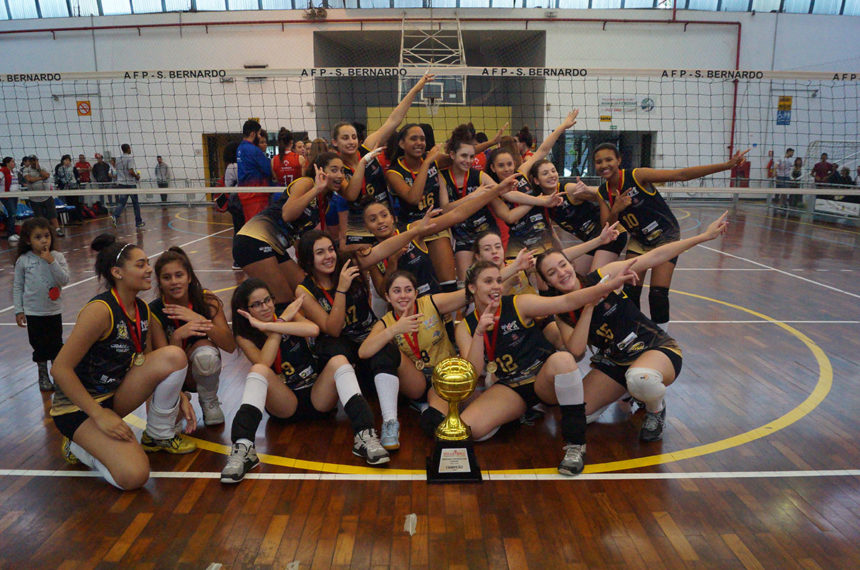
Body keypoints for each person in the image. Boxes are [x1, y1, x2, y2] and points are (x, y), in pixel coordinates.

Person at [535, 213, 730, 467]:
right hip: (616, 362)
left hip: (655, 349)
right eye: (552, 272)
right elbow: (577, 352)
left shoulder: (602, 276)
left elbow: (653, 257)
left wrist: (703, 236)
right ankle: (630, 389)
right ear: (548, 281)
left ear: (571, 264)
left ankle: (655, 408)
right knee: (578, 414)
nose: (561, 273)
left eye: (563, 265)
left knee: (641, 380)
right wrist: (590, 305)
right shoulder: (562, 311)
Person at [420, 259, 636, 475]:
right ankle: (518, 414)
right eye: (488, 281)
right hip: (511, 387)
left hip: (543, 378)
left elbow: (565, 301)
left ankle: (575, 444)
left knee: (563, 360)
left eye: (498, 280)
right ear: (472, 288)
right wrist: (478, 334)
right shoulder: (466, 326)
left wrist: (602, 288)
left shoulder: (518, 303)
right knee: (471, 429)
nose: (496, 286)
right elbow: (473, 372)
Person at [49, 234, 197, 490]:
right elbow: (59, 369)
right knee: (134, 477)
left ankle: (159, 434)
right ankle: (78, 444)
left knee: (174, 356)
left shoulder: (142, 309)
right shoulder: (100, 311)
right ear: (117, 272)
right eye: (140, 265)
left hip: (113, 397)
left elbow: (153, 363)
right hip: (78, 408)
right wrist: (99, 415)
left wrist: (180, 395)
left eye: (147, 263)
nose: (149, 269)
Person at [293, 211, 441, 461]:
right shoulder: (305, 289)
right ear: (308, 259)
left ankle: (390, 422)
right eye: (320, 252)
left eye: (330, 249)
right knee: (334, 347)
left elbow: (383, 249)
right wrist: (341, 288)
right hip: (341, 345)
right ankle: (362, 424)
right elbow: (333, 328)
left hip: (368, 336)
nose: (329, 256)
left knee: (383, 347)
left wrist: (416, 230)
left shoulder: (349, 265)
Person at [595, 142, 747, 329]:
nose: (604, 165)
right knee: (630, 291)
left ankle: (663, 340)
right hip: (639, 240)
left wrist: (726, 166)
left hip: (665, 235)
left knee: (658, 294)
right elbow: (608, 226)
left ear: (618, 160)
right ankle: (635, 333)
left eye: (608, 159)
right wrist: (616, 209)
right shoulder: (603, 193)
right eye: (598, 162)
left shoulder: (637, 175)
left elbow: (680, 175)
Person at [222, 280, 335, 482]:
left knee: (339, 361)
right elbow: (264, 363)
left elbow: (313, 330)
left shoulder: (285, 310)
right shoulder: (245, 334)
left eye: (267, 300)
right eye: (256, 304)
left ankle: (365, 433)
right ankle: (243, 446)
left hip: (317, 392)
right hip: (285, 403)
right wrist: (278, 325)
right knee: (258, 370)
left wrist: (276, 321)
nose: (265, 307)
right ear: (244, 310)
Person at [357, 270, 469, 445]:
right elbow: (363, 352)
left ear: (416, 293)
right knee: (381, 349)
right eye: (397, 291)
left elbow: (469, 292)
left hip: (443, 378)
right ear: (387, 296)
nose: (403, 296)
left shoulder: (430, 303)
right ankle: (390, 423)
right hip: (416, 381)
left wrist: (514, 267)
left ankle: (429, 408)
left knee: (433, 423)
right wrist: (394, 329)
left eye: (408, 290)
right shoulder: (387, 321)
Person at [439, 124, 555, 282]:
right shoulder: (442, 177)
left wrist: (541, 200)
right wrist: (473, 196)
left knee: (497, 278)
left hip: (486, 233)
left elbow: (507, 193)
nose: (468, 161)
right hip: (463, 237)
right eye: (463, 156)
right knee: (466, 282)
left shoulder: (479, 176)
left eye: (471, 157)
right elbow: (445, 210)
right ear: (452, 155)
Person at [334, 73, 435, 247]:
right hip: (359, 225)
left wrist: (416, 88)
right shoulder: (337, 168)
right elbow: (350, 194)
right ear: (335, 142)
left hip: (385, 219)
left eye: (353, 137)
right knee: (369, 269)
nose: (351, 141)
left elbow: (394, 120)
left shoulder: (367, 147)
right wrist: (364, 162)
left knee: (395, 263)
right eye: (345, 138)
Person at [234, 152, 343, 308]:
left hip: (275, 246)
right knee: (283, 300)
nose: (340, 175)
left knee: (306, 291)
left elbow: (301, 240)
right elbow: (287, 214)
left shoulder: (324, 203)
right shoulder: (306, 183)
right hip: (253, 240)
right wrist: (317, 189)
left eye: (342, 170)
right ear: (320, 171)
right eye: (334, 169)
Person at [150, 247, 236, 426]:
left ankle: (209, 400)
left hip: (201, 370)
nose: (174, 282)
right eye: (167, 277)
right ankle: (179, 396)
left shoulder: (206, 300)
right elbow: (161, 363)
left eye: (179, 275)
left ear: (189, 277)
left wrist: (199, 319)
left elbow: (230, 345)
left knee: (206, 354)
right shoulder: (155, 311)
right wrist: (176, 337)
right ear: (159, 282)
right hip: (171, 376)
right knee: (169, 426)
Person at [385, 127, 457, 291]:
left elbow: (458, 158)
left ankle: (451, 315)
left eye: (422, 139)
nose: (419, 143)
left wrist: (490, 143)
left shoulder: (433, 159)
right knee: (421, 286)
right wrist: (426, 164)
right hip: (411, 230)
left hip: (435, 224)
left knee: (448, 283)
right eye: (414, 139)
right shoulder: (394, 173)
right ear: (402, 144)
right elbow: (413, 198)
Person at [13, 217, 70, 392]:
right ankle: (43, 376)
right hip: (33, 312)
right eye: (38, 237)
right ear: (28, 240)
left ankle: (58, 375)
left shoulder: (57, 257)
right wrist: (19, 310)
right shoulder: (23, 260)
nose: (44, 240)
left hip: (52, 311)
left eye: (46, 235)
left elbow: (64, 280)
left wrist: (51, 262)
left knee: (55, 344)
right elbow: (18, 286)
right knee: (38, 345)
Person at [237, 119, 273, 222]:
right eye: (258, 134)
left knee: (250, 224)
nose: (259, 136)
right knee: (258, 225)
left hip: (244, 194)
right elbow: (268, 170)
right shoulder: (253, 150)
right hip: (256, 195)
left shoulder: (240, 148)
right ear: (253, 134)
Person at [22, 155, 64, 236]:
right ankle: (41, 232)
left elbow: (46, 175)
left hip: (46, 195)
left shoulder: (42, 167)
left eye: (35, 160)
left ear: (37, 160)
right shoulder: (26, 170)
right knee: (39, 217)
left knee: (52, 214)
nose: (33, 162)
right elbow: (29, 180)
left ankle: (58, 229)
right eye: (31, 160)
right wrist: (41, 178)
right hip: (34, 197)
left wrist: (39, 170)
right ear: (29, 162)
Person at [222, 142, 244, 270]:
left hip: (235, 201)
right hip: (238, 201)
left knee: (238, 230)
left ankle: (238, 260)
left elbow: (228, 185)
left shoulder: (231, 167)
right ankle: (238, 260)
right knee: (241, 230)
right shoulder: (235, 166)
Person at [111, 144, 144, 228]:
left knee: (121, 203)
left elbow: (115, 168)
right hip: (130, 184)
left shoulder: (118, 158)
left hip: (121, 183)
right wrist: (137, 176)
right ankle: (138, 222)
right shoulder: (130, 158)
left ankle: (115, 216)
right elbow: (130, 171)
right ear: (128, 149)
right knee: (135, 204)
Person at [55, 154, 83, 226]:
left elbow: (77, 177)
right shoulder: (60, 168)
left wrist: (78, 183)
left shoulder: (73, 168)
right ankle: (71, 219)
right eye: (66, 160)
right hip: (66, 189)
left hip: (74, 188)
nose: (67, 161)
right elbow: (59, 178)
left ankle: (78, 218)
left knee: (76, 203)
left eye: (68, 160)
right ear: (63, 161)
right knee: (69, 203)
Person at [1, 157, 20, 242]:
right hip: (7, 196)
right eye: (12, 161)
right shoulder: (2, 171)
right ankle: (10, 234)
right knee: (12, 213)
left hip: (14, 195)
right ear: (7, 163)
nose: (14, 163)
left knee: (13, 214)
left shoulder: (14, 172)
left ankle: (13, 232)